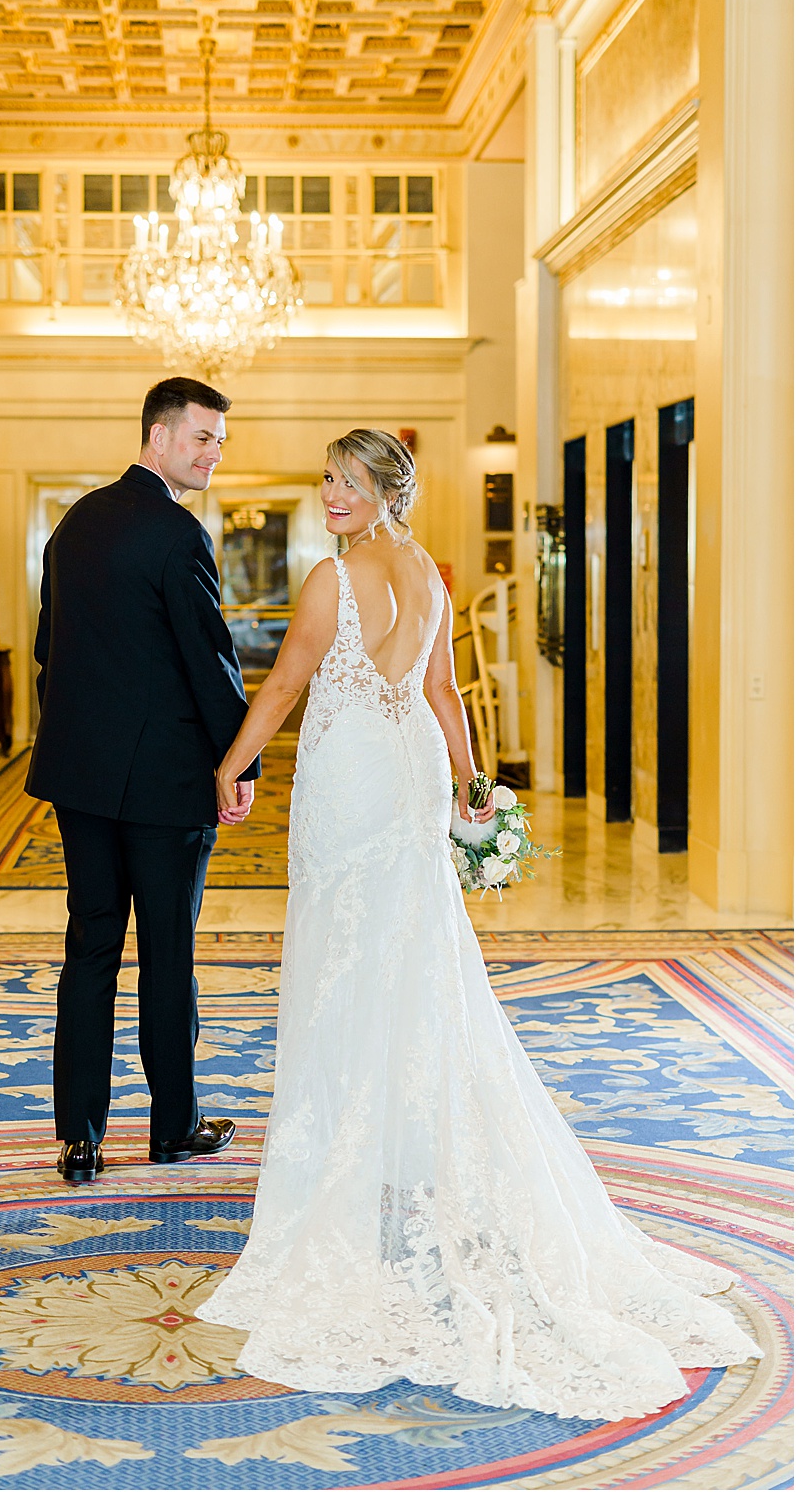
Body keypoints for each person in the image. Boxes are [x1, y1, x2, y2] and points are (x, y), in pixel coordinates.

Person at [195, 429, 759, 1419]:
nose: (326, 495)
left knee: (344, 956)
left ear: (378, 491)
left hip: (355, 778)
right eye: (326, 481)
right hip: (406, 767)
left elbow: (283, 687)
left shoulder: (334, 579)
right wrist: (463, 780)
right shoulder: (424, 571)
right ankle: (397, 1145)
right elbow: (441, 692)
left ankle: (355, 1159)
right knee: (408, 953)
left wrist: (230, 765)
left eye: (341, 482)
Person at [27, 375, 259, 1182]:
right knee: (169, 954)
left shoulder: (73, 525)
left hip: (81, 782)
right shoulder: (178, 534)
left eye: (220, 442)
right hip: (164, 787)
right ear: (157, 437)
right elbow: (211, 663)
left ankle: (80, 1136)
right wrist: (240, 761)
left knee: (90, 950)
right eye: (202, 438)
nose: (214, 454)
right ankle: (174, 1128)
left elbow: (46, 652)